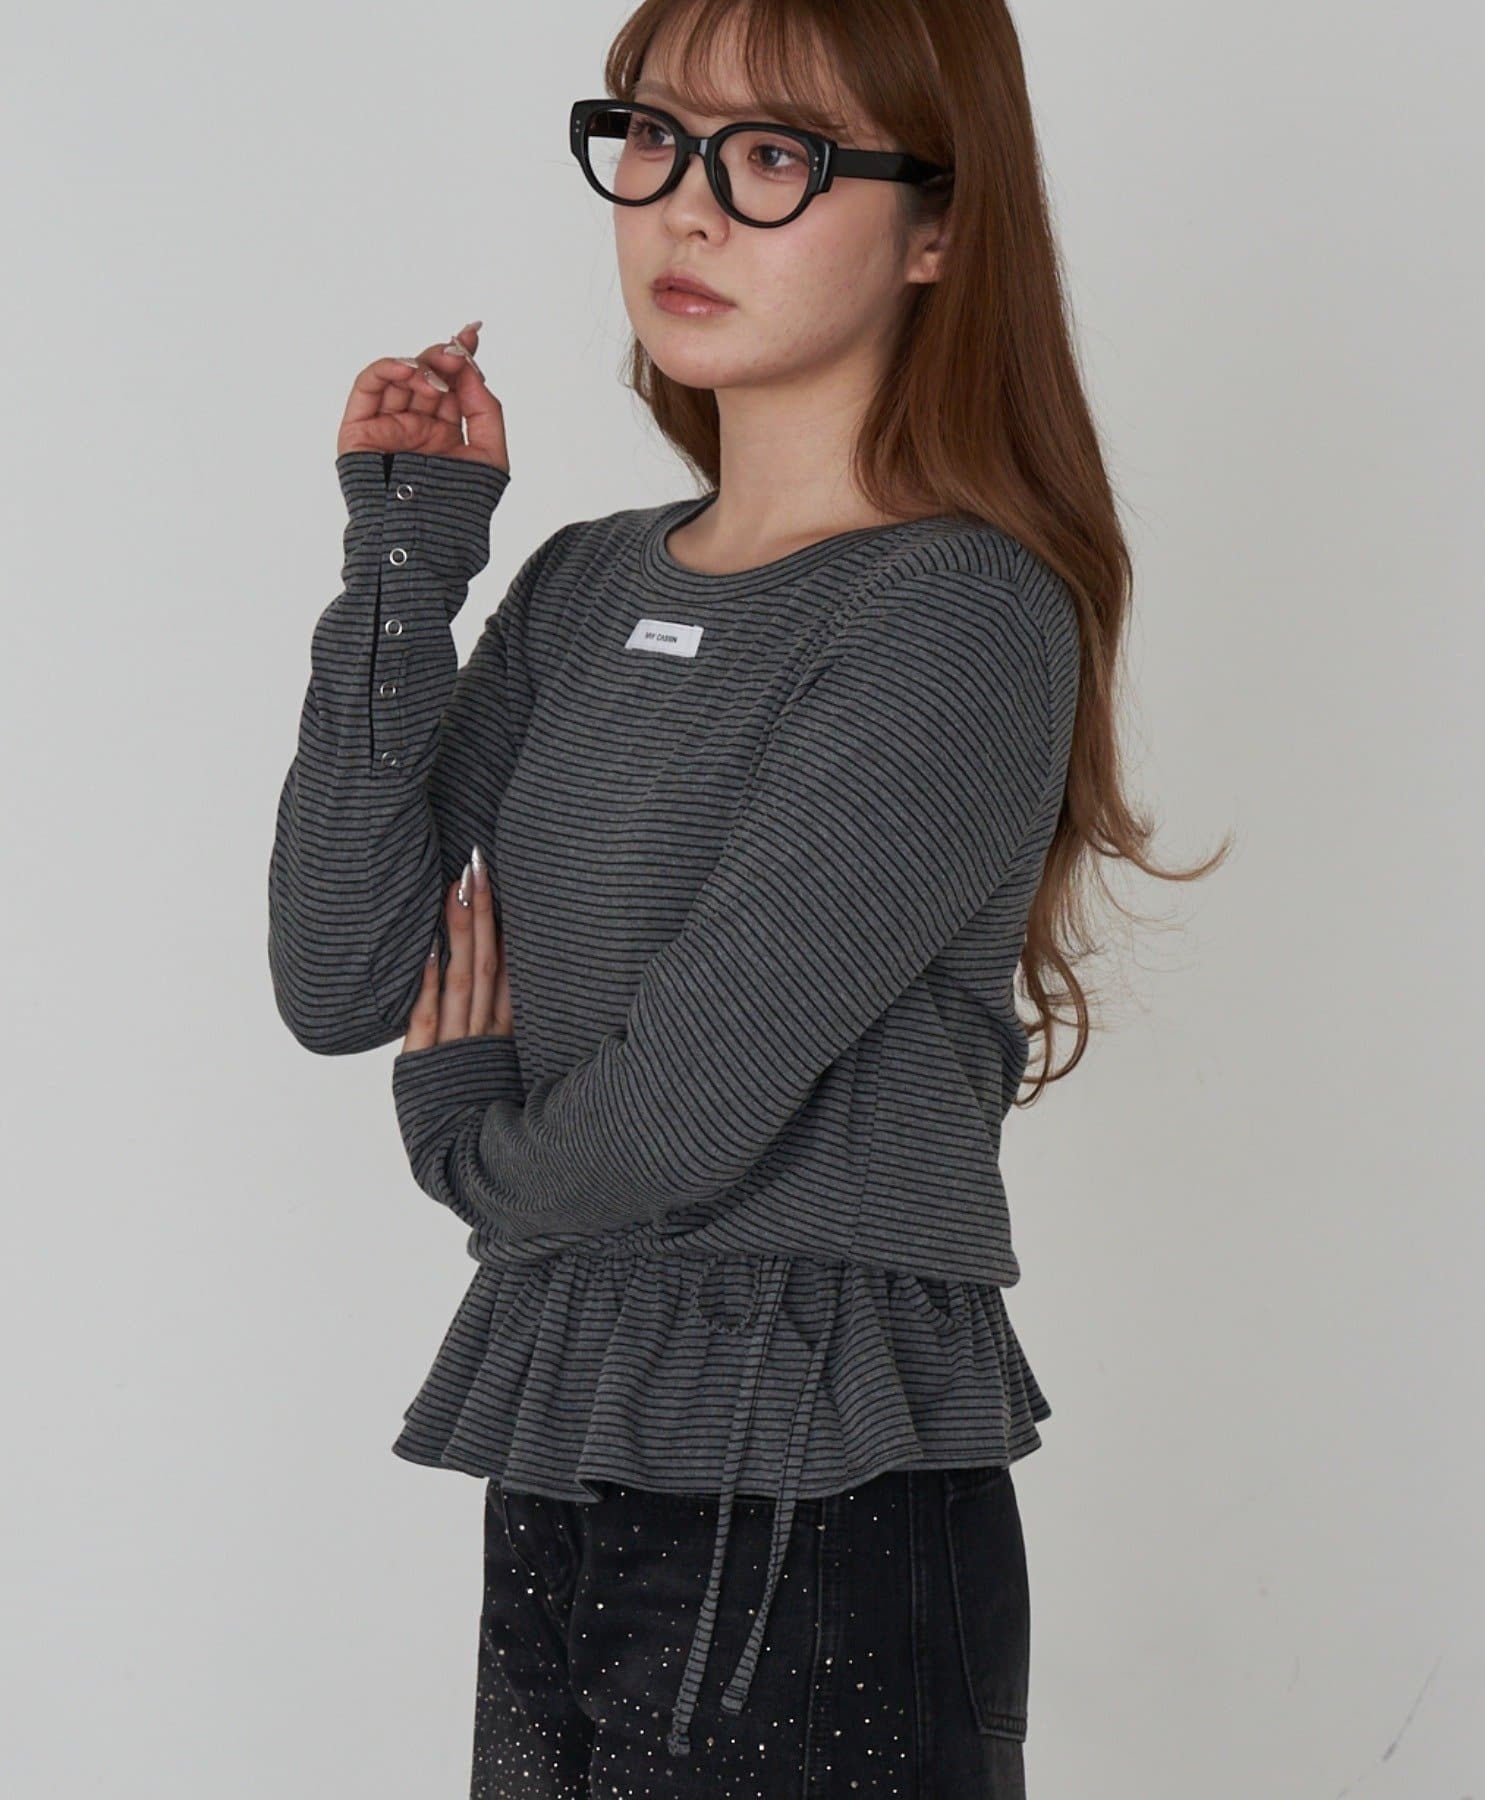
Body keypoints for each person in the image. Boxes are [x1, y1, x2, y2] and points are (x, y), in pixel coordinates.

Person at [267, 1, 1225, 1792]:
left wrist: (462, 1137)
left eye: (774, 155)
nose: (686, 207)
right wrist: (404, 560)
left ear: (937, 229)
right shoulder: (580, 587)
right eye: (654, 136)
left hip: (817, 1495)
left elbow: (677, 1114)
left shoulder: (955, 617)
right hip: (569, 1444)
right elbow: (342, 970)